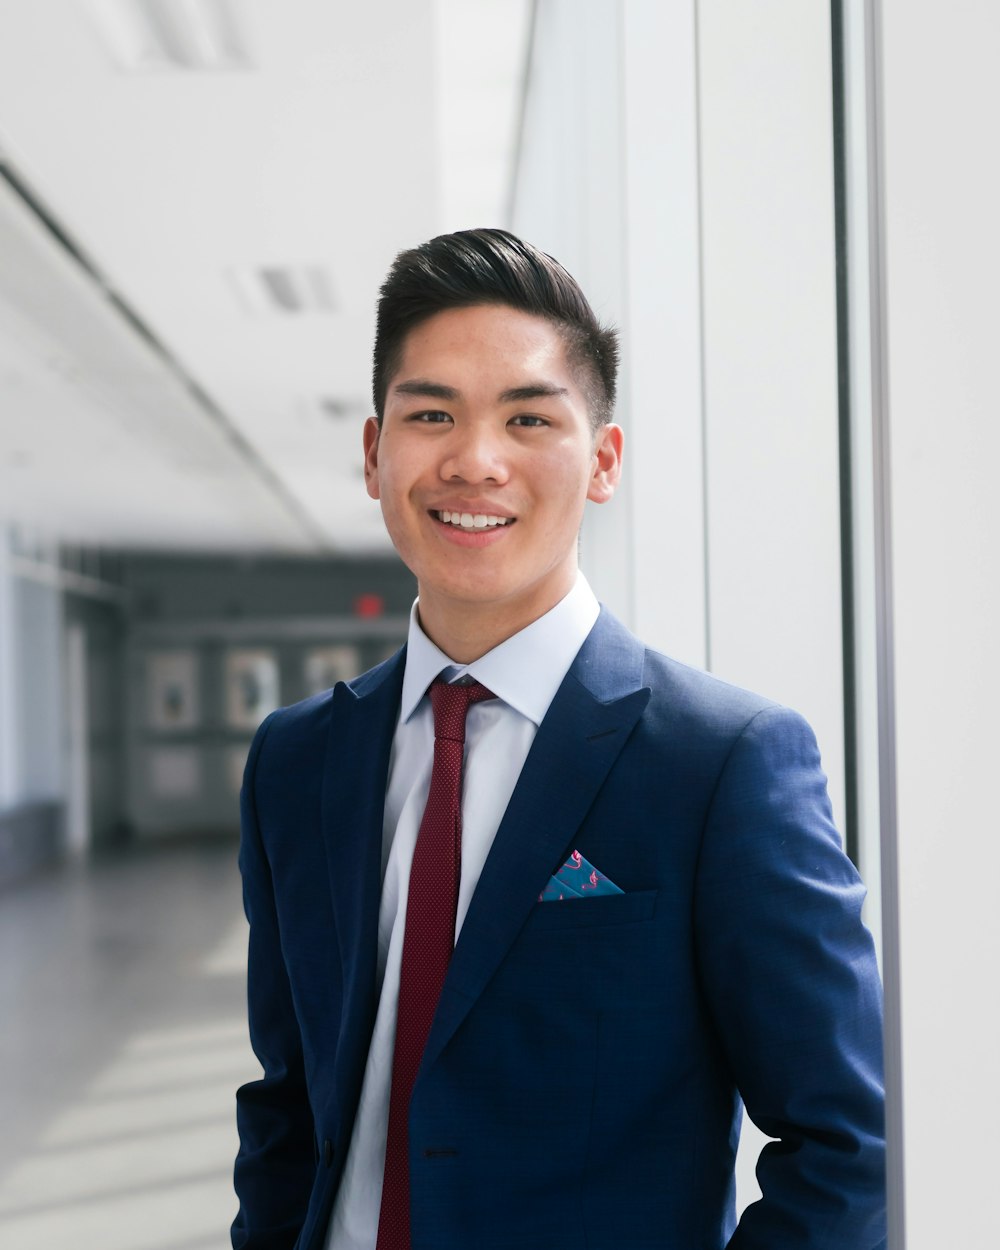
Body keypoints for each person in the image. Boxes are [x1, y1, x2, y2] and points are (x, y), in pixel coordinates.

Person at [232, 228, 885, 1250]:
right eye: (431, 413)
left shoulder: (720, 762)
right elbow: (288, 1099)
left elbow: (850, 1141)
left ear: (603, 461)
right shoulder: (296, 759)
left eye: (528, 416)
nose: (474, 460)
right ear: (373, 453)